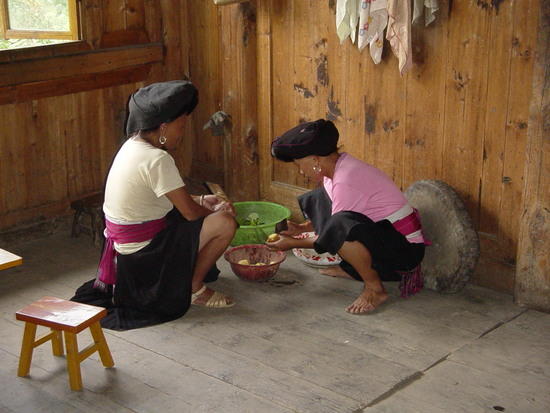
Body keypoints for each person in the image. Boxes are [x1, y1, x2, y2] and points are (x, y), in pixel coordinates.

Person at [71, 80, 237, 331]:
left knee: (206, 215)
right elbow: (191, 214)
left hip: (127, 253)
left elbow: (160, 197)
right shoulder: (157, 159)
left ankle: (189, 277)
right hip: (145, 257)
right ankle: (193, 288)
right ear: (163, 127)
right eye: (181, 126)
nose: (182, 133)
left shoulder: (132, 146)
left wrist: (203, 200)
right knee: (225, 223)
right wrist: (216, 211)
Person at [267, 119, 427, 314]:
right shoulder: (337, 168)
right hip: (385, 237)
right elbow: (335, 216)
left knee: (341, 226)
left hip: (405, 253)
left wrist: (292, 243)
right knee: (319, 198)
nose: (301, 172)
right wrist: (301, 229)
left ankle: (374, 288)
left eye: (300, 165)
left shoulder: (346, 180)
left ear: (316, 161)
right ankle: (353, 268)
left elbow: (337, 230)